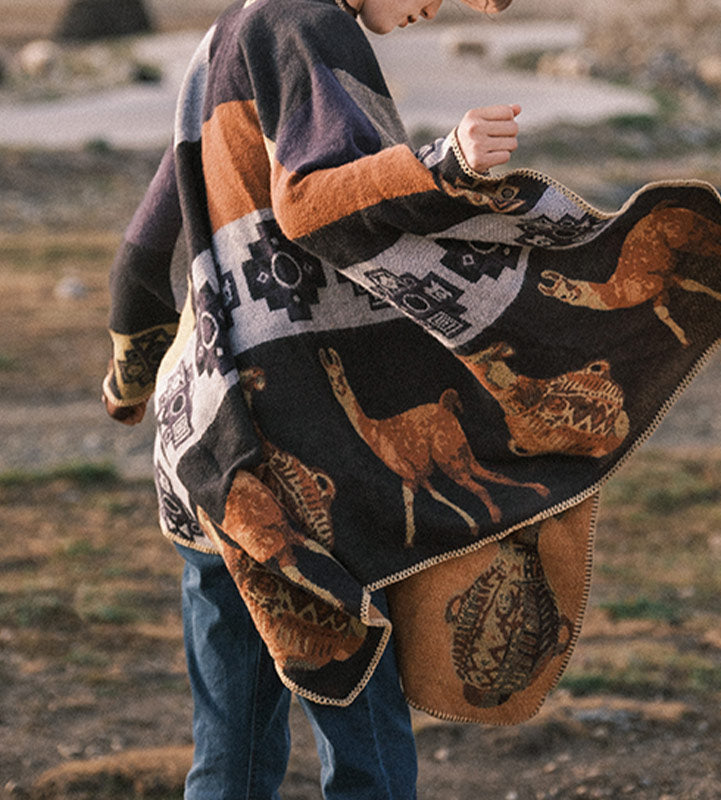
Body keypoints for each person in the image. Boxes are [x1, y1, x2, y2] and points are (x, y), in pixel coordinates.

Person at [103, 0, 521, 797]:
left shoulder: (229, 35)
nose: (437, 8)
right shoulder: (310, 26)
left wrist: (132, 370)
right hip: (305, 460)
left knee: (232, 752)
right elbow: (315, 200)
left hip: (209, 457)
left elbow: (142, 255)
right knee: (363, 738)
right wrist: (445, 165)